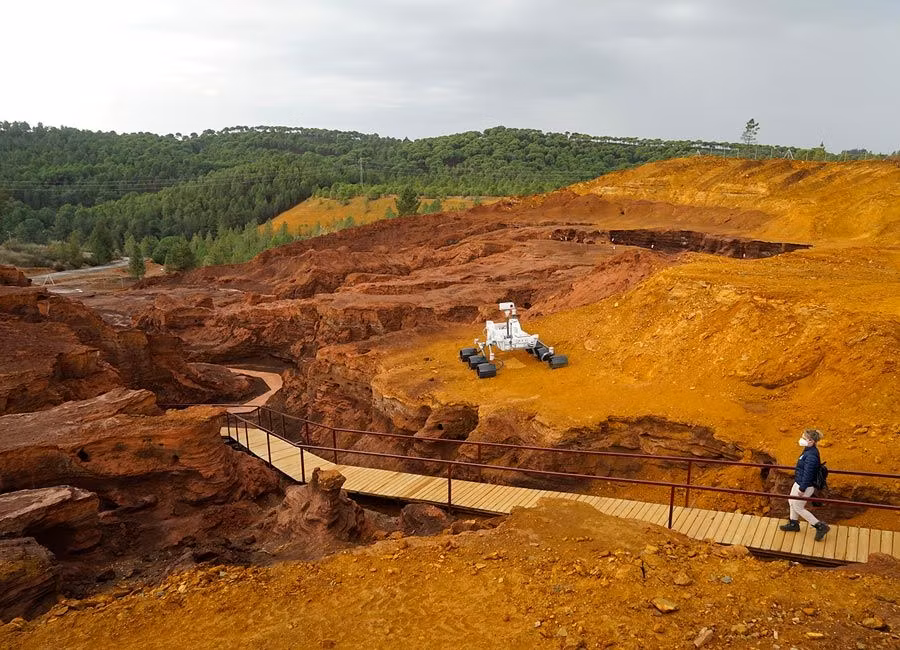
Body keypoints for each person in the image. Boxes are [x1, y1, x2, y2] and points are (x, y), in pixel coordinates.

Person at [780, 428, 830, 541]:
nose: (801, 439)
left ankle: (820, 526)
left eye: (804, 438)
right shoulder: (808, 450)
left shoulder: (811, 456)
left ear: (811, 441)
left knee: (798, 507)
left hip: (805, 486)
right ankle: (793, 524)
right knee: (791, 501)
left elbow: (808, 473)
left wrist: (802, 488)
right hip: (799, 482)